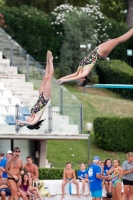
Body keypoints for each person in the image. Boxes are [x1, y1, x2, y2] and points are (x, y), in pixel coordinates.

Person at [56, 28, 133, 86]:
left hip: (97, 50)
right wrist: (64, 81)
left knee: (117, 39)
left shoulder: (79, 71)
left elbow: (74, 75)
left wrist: (62, 79)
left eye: (78, 82)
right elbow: (75, 77)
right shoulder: (86, 72)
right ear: (84, 79)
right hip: (100, 52)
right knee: (118, 40)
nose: (77, 80)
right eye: (80, 81)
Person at [16, 50, 54, 130]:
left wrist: (22, 124)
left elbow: (29, 122)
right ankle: (51, 60)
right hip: (45, 98)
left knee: (45, 77)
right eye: (28, 121)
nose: (27, 120)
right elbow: (32, 123)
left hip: (40, 96)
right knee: (49, 77)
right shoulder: (37, 117)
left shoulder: (32, 113)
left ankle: (47, 60)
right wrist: (22, 122)